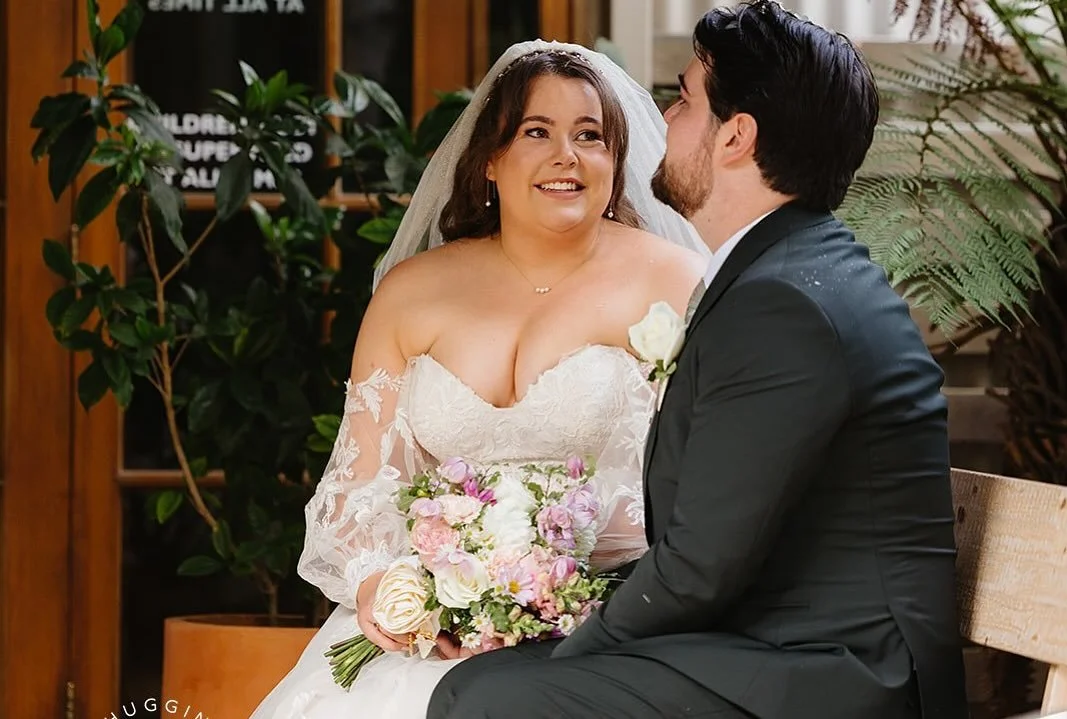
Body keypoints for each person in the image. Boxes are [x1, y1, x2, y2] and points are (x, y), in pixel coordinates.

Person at [428, 3, 970, 718]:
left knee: (498, 699)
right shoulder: (788, 271)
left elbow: (700, 567)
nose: (663, 115)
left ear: (736, 137)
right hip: (779, 644)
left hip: (840, 677)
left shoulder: (784, 306)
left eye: (683, 98)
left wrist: (568, 653)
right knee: (482, 682)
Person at [248, 39, 709, 719]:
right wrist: (384, 584)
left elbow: (702, 486)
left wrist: (554, 583)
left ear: (616, 159)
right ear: (489, 159)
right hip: (431, 633)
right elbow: (359, 486)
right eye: (536, 132)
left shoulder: (674, 281)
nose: (566, 156)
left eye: (590, 136)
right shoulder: (413, 292)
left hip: (604, 633)